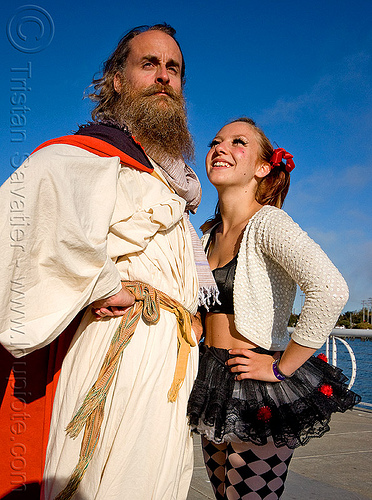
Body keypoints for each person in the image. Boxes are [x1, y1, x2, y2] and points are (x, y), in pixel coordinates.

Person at [0, 24, 215, 500]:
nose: (163, 76)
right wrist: (101, 284)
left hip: (171, 356)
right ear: (117, 79)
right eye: (149, 64)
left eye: (173, 68)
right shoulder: (90, 154)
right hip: (122, 340)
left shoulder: (173, 179)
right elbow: (28, 214)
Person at [187, 117, 360, 499]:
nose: (220, 148)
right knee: (223, 494)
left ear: (263, 168)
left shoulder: (268, 224)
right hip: (212, 380)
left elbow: (330, 289)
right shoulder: (203, 235)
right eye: (216, 141)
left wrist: (281, 368)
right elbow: (199, 308)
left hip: (258, 382)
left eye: (238, 143)